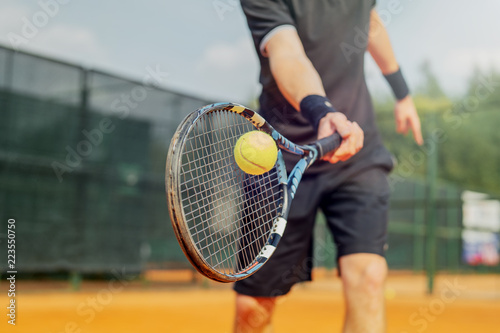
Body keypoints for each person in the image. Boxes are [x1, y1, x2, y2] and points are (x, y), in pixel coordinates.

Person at [235, 0, 423, 332]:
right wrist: (321, 111)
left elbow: (370, 22)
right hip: (280, 156)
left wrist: (402, 92)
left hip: (355, 150)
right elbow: (287, 53)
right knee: (254, 306)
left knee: (368, 278)